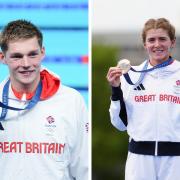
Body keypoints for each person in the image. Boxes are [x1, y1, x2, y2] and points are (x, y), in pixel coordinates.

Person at [0, 19, 88, 180]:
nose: (26, 64)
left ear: (43, 52)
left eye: (32, 54)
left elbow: (84, 168)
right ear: (2, 58)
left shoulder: (71, 100)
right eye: (17, 56)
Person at [106, 18, 180, 180]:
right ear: (145, 44)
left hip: (175, 160)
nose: (157, 44)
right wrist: (116, 89)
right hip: (139, 160)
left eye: (162, 39)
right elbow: (119, 124)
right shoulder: (130, 76)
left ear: (172, 42)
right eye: (151, 40)